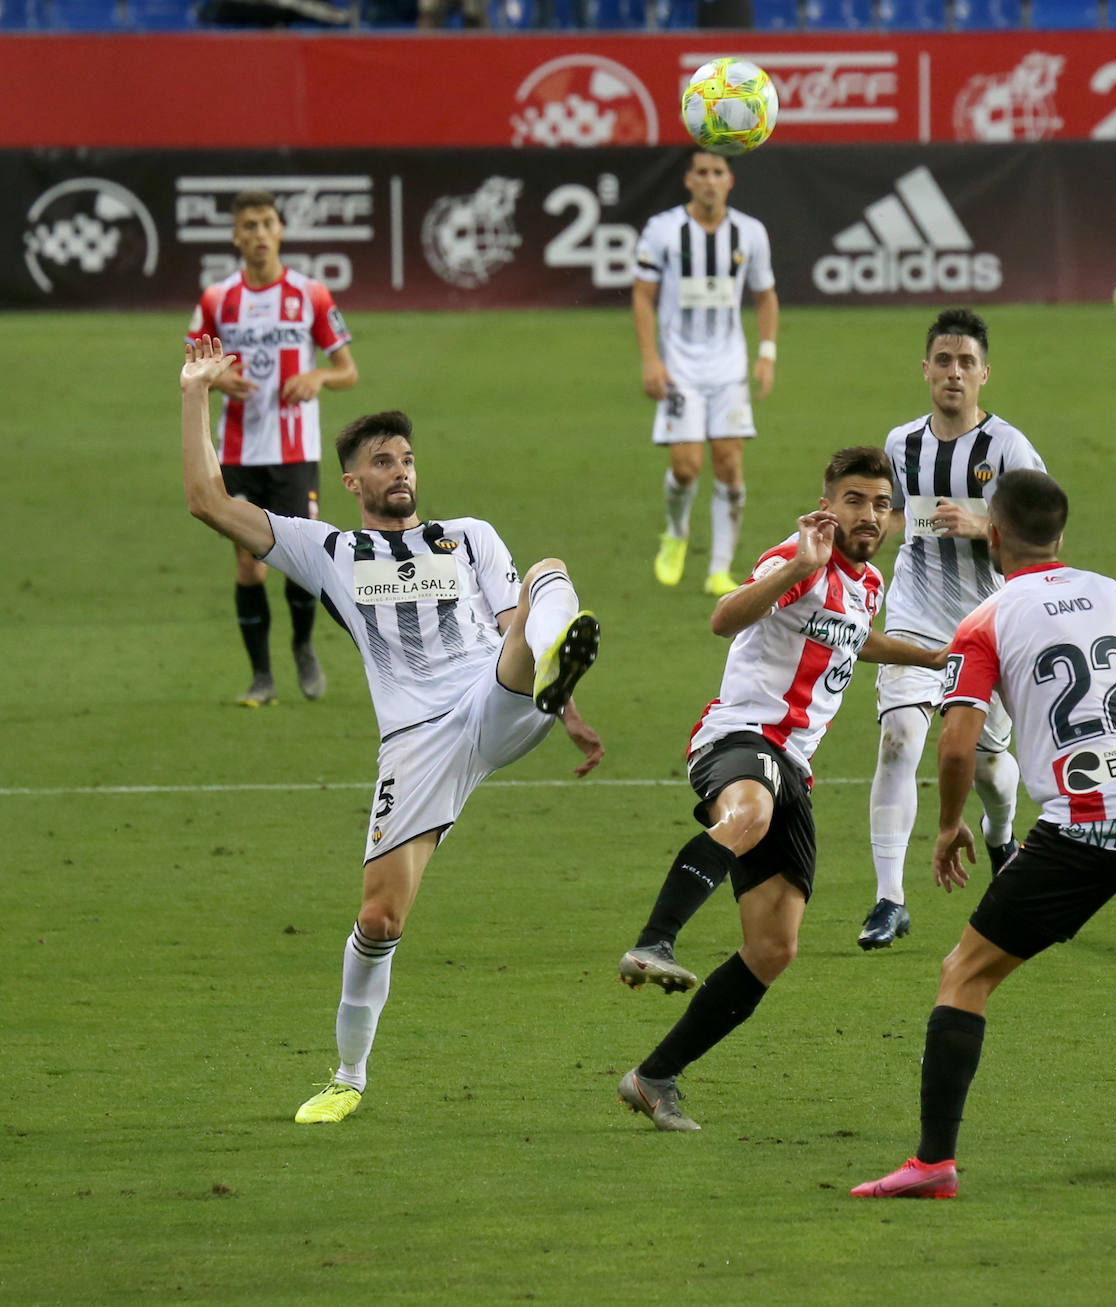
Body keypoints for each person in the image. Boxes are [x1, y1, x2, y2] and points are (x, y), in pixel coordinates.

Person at [179, 336, 604, 1124]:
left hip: (495, 693)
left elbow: (516, 621)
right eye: (382, 460)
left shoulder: (469, 535)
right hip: (417, 738)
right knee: (379, 919)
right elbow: (208, 500)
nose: (400, 469)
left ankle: (553, 678)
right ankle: (349, 1075)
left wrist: (562, 698)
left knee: (545, 572)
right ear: (351, 482)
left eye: (406, 457)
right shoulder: (329, 549)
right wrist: (195, 389)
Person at [851, 469, 1116, 1197]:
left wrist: (952, 823)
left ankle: (932, 1161)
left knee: (965, 972)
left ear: (993, 534)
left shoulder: (986, 618)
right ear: (1062, 534)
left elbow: (958, 745)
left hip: (1085, 823)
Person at [615, 448, 947, 1130]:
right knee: (749, 813)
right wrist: (800, 564)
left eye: (881, 504)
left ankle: (654, 1076)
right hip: (739, 738)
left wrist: (931, 656)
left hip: (795, 766)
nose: (869, 514)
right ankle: (655, 941)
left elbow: (856, 640)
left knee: (774, 947)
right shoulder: (798, 558)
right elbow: (726, 617)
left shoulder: (867, 583)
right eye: (855, 499)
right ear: (828, 503)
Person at [858, 307, 1046, 951]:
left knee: (992, 768)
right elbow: (889, 520)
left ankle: (1001, 842)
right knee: (899, 741)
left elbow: (1044, 535)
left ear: (985, 373)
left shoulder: (1009, 449)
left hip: (989, 622)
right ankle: (889, 898)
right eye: (944, 361)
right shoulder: (900, 443)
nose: (954, 373)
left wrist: (984, 527)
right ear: (926, 370)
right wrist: (850, 544)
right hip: (913, 613)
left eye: (967, 362)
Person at [186, 188, 359, 708]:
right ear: (236, 236)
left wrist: (317, 377)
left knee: (301, 560)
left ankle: (303, 646)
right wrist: (218, 381)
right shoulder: (217, 299)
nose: (259, 234)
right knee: (248, 563)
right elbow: (193, 368)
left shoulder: (310, 294)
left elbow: (348, 370)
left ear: (280, 231)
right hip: (237, 452)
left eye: (266, 223)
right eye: (249, 225)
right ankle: (262, 676)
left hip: (295, 452)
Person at [633, 150, 779, 598]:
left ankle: (720, 568)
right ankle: (676, 533)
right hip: (679, 368)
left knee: (730, 464)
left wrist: (766, 353)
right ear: (689, 180)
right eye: (702, 173)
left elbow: (766, 295)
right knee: (686, 466)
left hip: (729, 368)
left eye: (718, 173)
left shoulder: (750, 232)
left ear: (730, 181)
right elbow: (642, 295)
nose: (710, 181)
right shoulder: (663, 230)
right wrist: (650, 359)